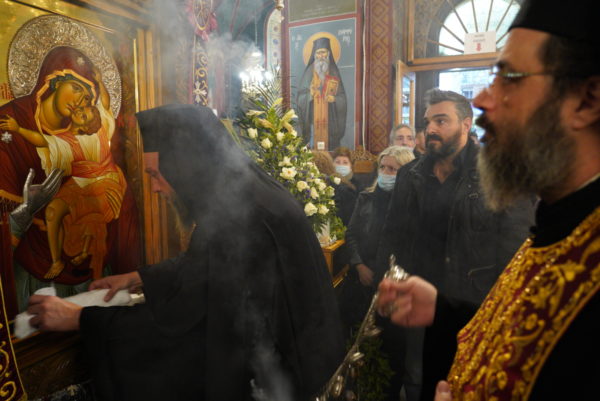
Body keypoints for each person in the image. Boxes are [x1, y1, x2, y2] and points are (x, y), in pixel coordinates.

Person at [26, 104, 345, 401]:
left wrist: (80, 318)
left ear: (185, 167)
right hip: (307, 367)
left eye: (155, 174)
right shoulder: (248, 196)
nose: (154, 188)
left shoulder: (236, 220)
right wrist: (140, 277)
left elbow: (180, 326)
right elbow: (206, 268)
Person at [377, 0, 600, 400]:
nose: (482, 98)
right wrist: (443, 308)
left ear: (586, 100)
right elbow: (520, 325)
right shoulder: (558, 216)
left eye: (510, 78)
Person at [376, 89, 534, 401]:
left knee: (462, 383)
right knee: (417, 379)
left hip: (470, 303)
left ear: (465, 124)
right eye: (427, 122)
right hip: (417, 296)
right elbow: (392, 232)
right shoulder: (411, 174)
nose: (431, 129)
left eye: (441, 121)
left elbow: (516, 253)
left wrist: (497, 312)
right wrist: (385, 279)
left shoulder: (499, 174)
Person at [0, 46, 140, 315]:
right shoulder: (13, 121)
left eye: (87, 97)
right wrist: (27, 210)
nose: (80, 101)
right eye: (76, 88)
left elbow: (104, 108)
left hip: (90, 269)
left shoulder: (92, 131)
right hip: (32, 272)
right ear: (53, 79)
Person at [296, 37, 347, 150]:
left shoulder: (334, 71)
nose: (321, 56)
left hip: (330, 119)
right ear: (314, 55)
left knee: (329, 146)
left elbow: (342, 97)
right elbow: (300, 97)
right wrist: (309, 95)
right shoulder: (309, 72)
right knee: (313, 144)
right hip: (313, 118)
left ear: (328, 53)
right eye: (318, 53)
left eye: (323, 52)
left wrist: (334, 99)